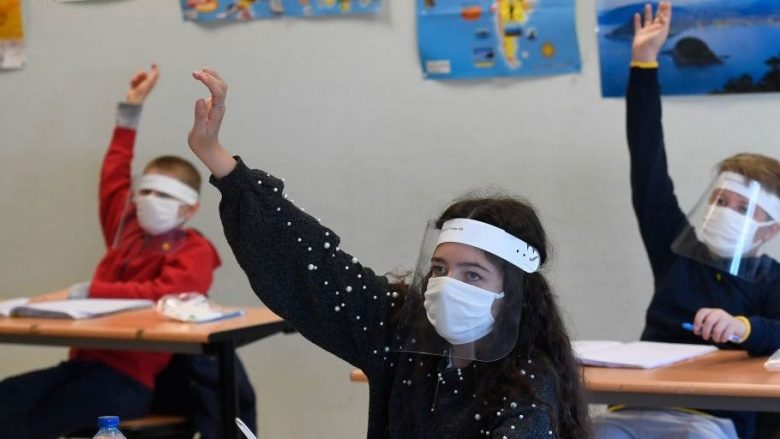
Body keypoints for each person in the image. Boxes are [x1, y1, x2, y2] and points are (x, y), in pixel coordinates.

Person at [186, 67, 591, 438]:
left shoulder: (527, 387)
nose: (447, 286)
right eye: (439, 269)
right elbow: (312, 268)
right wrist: (217, 158)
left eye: (472, 275)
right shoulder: (403, 332)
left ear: (513, 294)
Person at [0, 65, 221, 439]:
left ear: (191, 208)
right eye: (145, 192)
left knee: (25, 424)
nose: (151, 201)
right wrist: (131, 108)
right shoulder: (125, 232)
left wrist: (86, 292)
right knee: (8, 400)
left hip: (128, 381)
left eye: (165, 195)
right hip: (80, 367)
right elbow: (114, 173)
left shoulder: (195, 251)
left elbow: (162, 296)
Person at [592, 3, 780, 439]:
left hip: (708, 420)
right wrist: (644, 63)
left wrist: (743, 328)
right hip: (634, 408)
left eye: (742, 207)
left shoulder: (770, 280)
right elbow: (647, 161)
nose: (724, 211)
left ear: (770, 228)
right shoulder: (676, 251)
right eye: (720, 199)